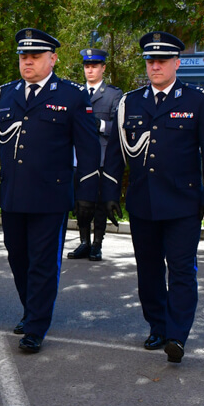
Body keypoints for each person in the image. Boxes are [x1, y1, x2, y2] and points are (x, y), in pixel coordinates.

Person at [102, 31, 204, 364]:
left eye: (161, 61)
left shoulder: (197, 99)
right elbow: (114, 151)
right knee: (149, 270)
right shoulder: (132, 101)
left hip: (183, 203)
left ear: (176, 63)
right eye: (150, 61)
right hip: (143, 201)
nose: (154, 66)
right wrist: (110, 191)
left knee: (183, 270)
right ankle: (158, 325)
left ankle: (177, 335)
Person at [0, 28, 100, 353]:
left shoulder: (72, 96)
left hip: (51, 196)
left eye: (34, 56)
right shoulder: (5, 95)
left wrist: (87, 194)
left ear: (53, 58)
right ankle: (32, 309)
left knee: (43, 263)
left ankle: (35, 326)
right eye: (23, 56)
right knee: (17, 256)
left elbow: (89, 150)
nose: (27, 61)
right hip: (14, 194)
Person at [66, 48, 123, 261]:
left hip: (101, 157)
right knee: (81, 203)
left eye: (94, 66)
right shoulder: (75, 93)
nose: (90, 70)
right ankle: (84, 242)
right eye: (87, 66)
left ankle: (97, 243)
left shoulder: (113, 95)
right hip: (78, 157)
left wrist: (98, 124)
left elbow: (117, 128)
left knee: (99, 204)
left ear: (103, 68)